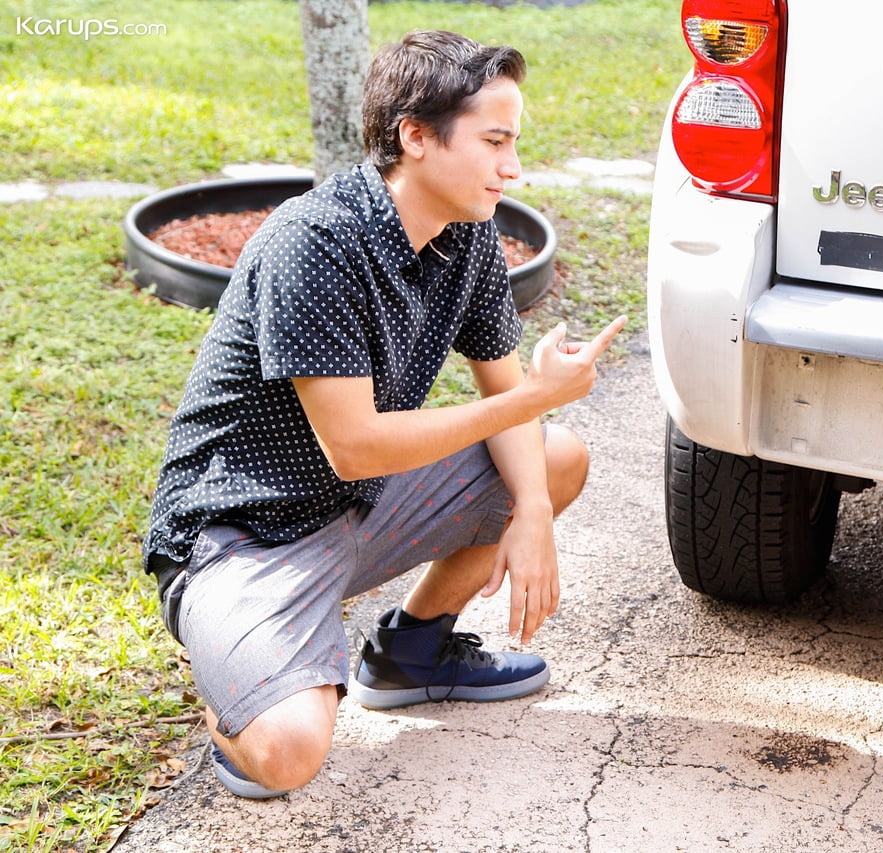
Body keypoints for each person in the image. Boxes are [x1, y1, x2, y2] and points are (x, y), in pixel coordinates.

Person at [142, 29, 625, 800]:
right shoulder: (316, 241)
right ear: (415, 137)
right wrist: (533, 396)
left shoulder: (468, 236)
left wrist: (532, 507)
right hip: (243, 536)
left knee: (553, 457)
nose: (513, 165)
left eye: (515, 142)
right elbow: (357, 446)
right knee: (290, 754)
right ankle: (240, 681)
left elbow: (505, 399)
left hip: (356, 511)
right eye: (495, 140)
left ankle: (412, 652)